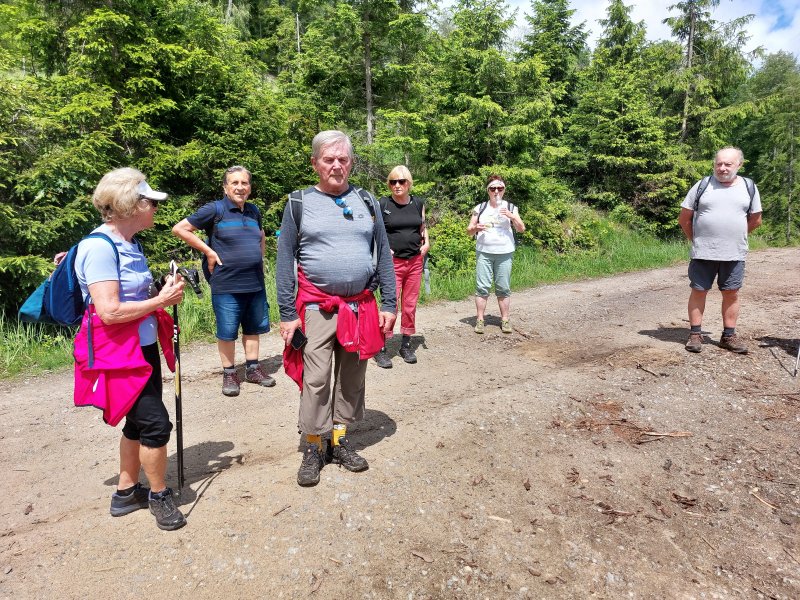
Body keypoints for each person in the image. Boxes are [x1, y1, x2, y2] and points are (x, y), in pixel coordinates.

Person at [276, 130, 397, 487]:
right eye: (328, 159)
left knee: (352, 378)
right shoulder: (299, 203)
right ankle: (314, 445)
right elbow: (284, 260)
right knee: (315, 380)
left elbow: (384, 254)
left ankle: (339, 441)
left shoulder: (367, 200)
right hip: (316, 308)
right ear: (315, 163)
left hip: (361, 307)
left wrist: (389, 303)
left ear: (351, 163)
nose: (336, 165)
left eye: (343, 159)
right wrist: (287, 313)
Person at [73, 167, 187, 530]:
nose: (155, 207)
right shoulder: (99, 248)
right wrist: (161, 301)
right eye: (150, 201)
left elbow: (133, 296)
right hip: (119, 355)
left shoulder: (131, 244)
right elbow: (109, 312)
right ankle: (159, 495)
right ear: (131, 205)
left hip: (142, 347)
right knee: (156, 424)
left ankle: (125, 493)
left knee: (137, 424)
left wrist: (159, 289)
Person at [172, 166, 275, 396]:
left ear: (250, 187)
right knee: (227, 331)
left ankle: (253, 369)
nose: (240, 187)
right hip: (226, 284)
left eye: (244, 183)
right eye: (235, 183)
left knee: (253, 328)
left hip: (254, 282)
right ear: (225, 187)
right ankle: (229, 373)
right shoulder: (215, 209)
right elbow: (180, 229)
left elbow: (261, 236)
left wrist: (260, 257)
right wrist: (208, 251)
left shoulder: (253, 211)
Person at [678, 147, 762, 354]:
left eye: (728, 164)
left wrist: (734, 237)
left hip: (734, 253)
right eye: (719, 164)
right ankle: (695, 335)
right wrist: (695, 239)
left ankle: (728, 336)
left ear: (739, 165)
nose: (722, 168)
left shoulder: (749, 187)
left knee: (731, 293)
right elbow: (684, 218)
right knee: (699, 290)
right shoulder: (702, 185)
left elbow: (756, 220)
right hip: (703, 252)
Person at [373, 166, 430, 368]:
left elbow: (422, 226)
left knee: (410, 304)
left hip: (414, 261)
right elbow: (374, 231)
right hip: (392, 264)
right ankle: (380, 347)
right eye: (393, 182)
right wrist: (382, 248)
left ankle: (406, 344)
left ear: (409, 183)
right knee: (390, 304)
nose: (397, 185)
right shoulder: (383, 204)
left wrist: (427, 242)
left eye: (401, 181)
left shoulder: (418, 203)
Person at [466, 175, 526, 334]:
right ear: (488, 191)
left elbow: (521, 229)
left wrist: (512, 217)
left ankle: (505, 320)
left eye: (500, 188)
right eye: (493, 188)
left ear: (504, 190)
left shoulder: (511, 207)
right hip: (484, 252)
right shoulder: (479, 208)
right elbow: (468, 231)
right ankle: (480, 320)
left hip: (504, 252)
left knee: (503, 287)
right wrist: (475, 228)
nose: (496, 191)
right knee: (482, 287)